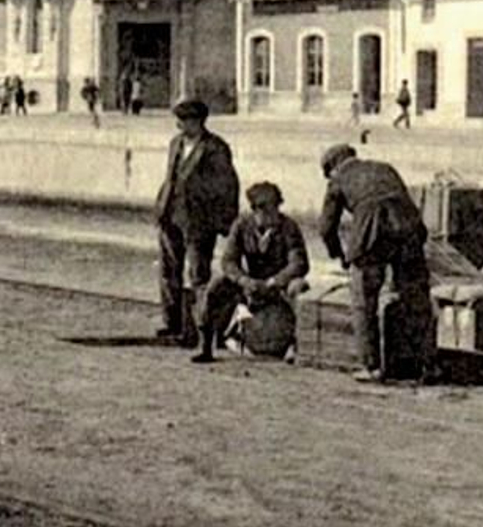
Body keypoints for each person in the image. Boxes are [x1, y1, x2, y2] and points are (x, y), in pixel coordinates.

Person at [318, 144, 435, 383]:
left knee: (363, 301)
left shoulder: (338, 179)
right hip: (408, 230)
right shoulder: (384, 168)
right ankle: (426, 365)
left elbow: (326, 227)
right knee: (415, 299)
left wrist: (339, 254)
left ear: (333, 168)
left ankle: (371, 367)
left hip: (371, 236)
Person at [192, 181, 310, 364]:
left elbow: (299, 264)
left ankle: (295, 347)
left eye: (275, 209)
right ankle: (205, 345)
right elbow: (228, 261)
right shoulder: (241, 225)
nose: (273, 215)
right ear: (255, 210)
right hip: (250, 284)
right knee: (216, 286)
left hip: (279, 286)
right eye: (267, 210)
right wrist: (244, 280)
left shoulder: (289, 228)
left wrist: (274, 281)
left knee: (299, 286)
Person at [154, 99, 240, 345]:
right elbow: (170, 179)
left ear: (197, 122)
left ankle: (199, 328)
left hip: (199, 222)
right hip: (170, 216)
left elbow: (228, 185)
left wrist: (224, 222)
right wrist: (161, 208)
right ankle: (172, 323)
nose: (178, 125)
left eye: (183, 121)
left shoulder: (215, 148)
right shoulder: (176, 143)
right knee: (168, 272)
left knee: (198, 275)